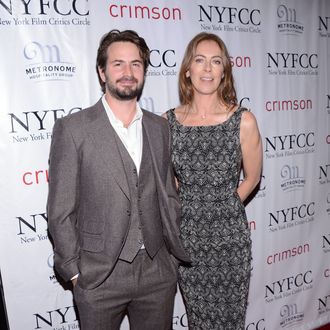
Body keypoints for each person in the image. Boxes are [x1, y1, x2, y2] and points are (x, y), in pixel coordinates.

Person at [47, 29, 190, 330]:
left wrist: (170, 260)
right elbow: (60, 211)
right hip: (99, 276)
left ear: (144, 71)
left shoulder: (159, 127)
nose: (128, 72)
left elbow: (168, 195)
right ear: (102, 72)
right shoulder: (73, 129)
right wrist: (74, 272)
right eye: (118, 64)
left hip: (157, 272)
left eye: (136, 64)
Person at [164, 32, 262, 329]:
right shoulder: (167, 122)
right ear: (187, 69)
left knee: (229, 321)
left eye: (215, 61)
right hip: (188, 240)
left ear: (224, 72)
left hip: (230, 241)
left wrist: (224, 208)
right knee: (198, 320)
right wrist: (189, 214)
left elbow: (253, 178)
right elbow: (172, 186)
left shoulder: (243, 120)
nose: (207, 69)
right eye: (200, 60)